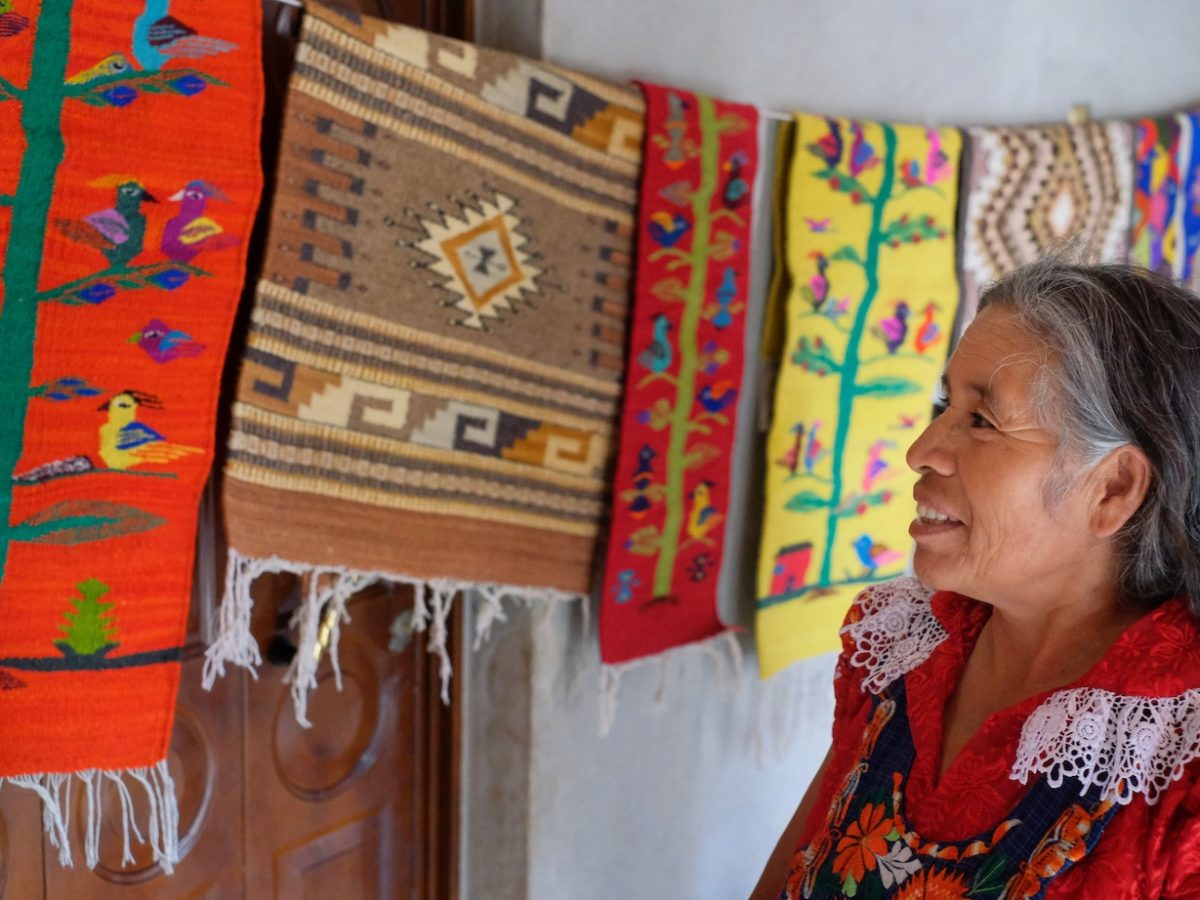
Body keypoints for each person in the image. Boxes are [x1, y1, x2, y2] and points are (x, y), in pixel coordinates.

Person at [752, 260, 1200, 899]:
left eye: (983, 421)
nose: (922, 451)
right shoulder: (907, 653)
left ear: (1112, 489)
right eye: (945, 404)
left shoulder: (1178, 768)